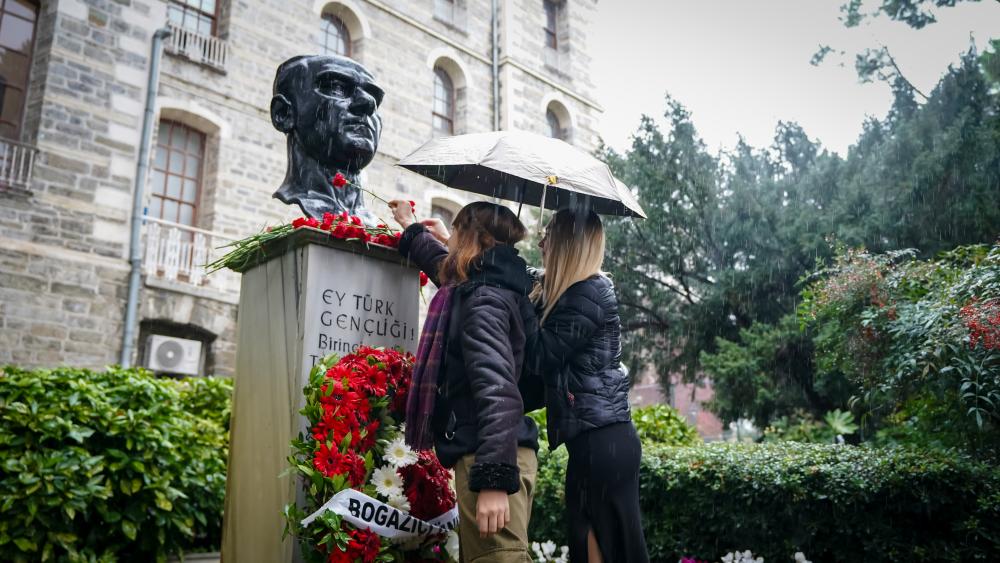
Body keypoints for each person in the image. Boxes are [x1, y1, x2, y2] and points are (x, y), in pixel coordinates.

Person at [390, 200, 539, 562]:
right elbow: (446, 268)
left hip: (490, 457)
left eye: (455, 231)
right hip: (494, 449)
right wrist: (412, 230)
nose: (450, 238)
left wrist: (493, 480)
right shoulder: (490, 285)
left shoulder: (483, 301)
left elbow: (498, 392)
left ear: (472, 239)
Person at [524, 208, 649, 563]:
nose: (541, 240)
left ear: (568, 243)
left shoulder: (589, 294)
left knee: (602, 543)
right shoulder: (574, 289)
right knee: (591, 541)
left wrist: (518, 303)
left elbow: (540, 355)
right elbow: (529, 275)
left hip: (603, 443)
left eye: (549, 233)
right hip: (595, 442)